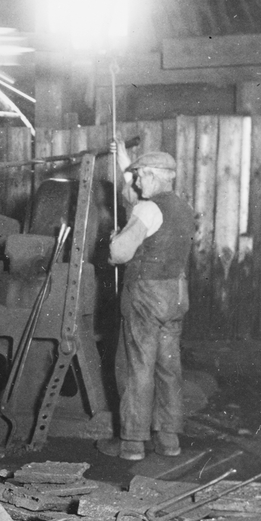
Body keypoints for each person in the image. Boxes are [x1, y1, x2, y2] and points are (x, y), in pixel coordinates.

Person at [97, 142, 196, 461]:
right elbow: (141, 206)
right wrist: (125, 162)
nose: (137, 184)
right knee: (169, 367)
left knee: (136, 366)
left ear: (153, 176)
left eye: (140, 176)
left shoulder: (147, 209)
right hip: (175, 295)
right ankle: (168, 440)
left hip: (146, 296)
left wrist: (114, 241)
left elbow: (120, 252)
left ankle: (132, 443)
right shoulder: (184, 208)